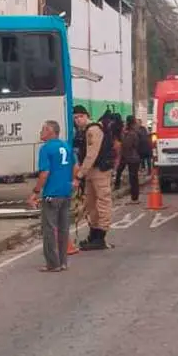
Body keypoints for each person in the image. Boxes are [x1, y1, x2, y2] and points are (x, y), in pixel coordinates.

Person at [28, 120, 74, 272]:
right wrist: (72, 182)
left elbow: (45, 173)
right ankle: (63, 262)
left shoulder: (46, 148)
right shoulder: (66, 146)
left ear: (50, 131)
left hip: (52, 194)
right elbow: (75, 167)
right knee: (63, 229)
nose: (41, 132)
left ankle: (52, 263)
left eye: (43, 129)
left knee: (49, 230)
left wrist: (35, 192)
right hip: (66, 193)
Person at [72, 105, 114, 249]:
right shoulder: (84, 131)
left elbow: (91, 154)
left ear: (86, 116)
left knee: (102, 202)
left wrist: (79, 175)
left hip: (99, 170)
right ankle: (94, 233)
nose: (78, 120)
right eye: (75, 118)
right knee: (91, 204)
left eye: (80, 117)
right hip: (92, 171)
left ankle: (101, 236)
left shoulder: (93, 130)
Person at [120, 116, 143, 203]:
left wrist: (123, 136)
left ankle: (134, 198)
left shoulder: (131, 133)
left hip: (132, 158)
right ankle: (135, 197)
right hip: (135, 157)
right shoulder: (136, 131)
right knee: (134, 178)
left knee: (133, 178)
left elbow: (127, 145)